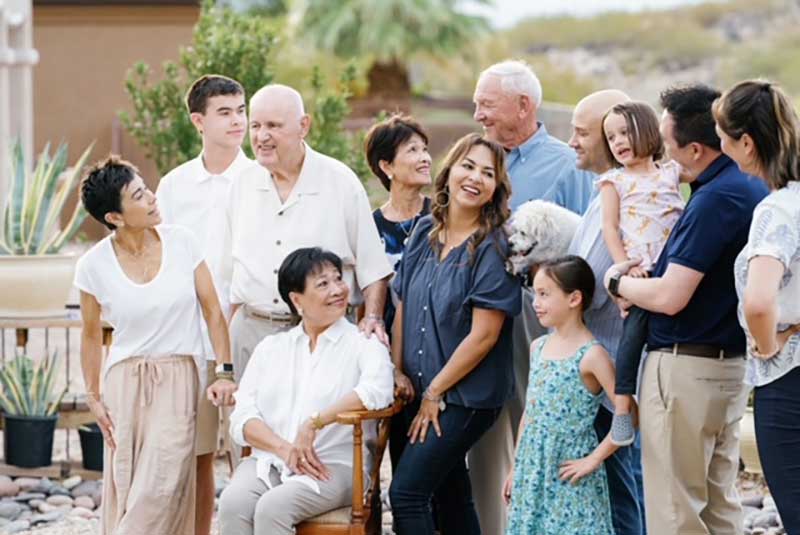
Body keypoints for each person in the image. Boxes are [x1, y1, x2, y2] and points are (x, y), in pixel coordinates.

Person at [603, 84, 769, 535]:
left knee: (675, 513)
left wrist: (616, 282)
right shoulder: (747, 186)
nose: (660, 155)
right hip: (725, 366)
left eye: (665, 143)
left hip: (684, 370)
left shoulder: (714, 201)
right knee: (719, 508)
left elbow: (671, 295)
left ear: (695, 149)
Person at [75, 156, 237, 535]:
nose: (151, 198)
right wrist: (94, 396)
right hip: (124, 381)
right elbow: (89, 333)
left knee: (162, 484)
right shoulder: (92, 265)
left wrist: (224, 371)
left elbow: (213, 311)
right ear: (114, 217)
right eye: (138, 195)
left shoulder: (182, 242)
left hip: (180, 375)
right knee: (127, 481)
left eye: (146, 188)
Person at [470, 59, 595, 534]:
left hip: (536, 317)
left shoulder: (566, 164)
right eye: (477, 104)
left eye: (487, 104)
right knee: (484, 426)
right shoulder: (479, 158)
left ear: (524, 106)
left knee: (536, 420)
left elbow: (584, 249)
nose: (478, 114)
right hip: (480, 314)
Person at [388, 133, 521, 535]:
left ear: (496, 188)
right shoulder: (425, 232)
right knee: (449, 494)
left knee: (407, 495)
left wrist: (435, 393)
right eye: (468, 166)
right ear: (449, 172)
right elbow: (404, 308)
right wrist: (397, 372)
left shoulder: (495, 247)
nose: (475, 178)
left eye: (487, 173)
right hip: (420, 388)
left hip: (465, 396)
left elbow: (484, 336)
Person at [218, 247, 394, 535]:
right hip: (271, 459)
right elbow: (242, 417)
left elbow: (377, 391)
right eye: (323, 284)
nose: (338, 289)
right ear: (297, 300)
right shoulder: (273, 348)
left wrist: (315, 422)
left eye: (338, 279)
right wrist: (284, 448)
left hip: (334, 465)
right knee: (232, 503)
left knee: (273, 508)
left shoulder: (362, 343)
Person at [226, 83, 392, 384]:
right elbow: (228, 273)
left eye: (274, 126)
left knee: (317, 429)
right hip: (251, 334)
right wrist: (223, 363)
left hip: (323, 336)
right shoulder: (241, 184)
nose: (262, 136)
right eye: (256, 125)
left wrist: (372, 319)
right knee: (248, 428)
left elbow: (373, 269)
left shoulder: (340, 181)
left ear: (304, 126)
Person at [156, 74, 254, 535]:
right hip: (190, 341)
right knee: (196, 454)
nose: (238, 121)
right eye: (225, 112)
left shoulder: (260, 179)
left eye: (241, 110)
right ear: (198, 120)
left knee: (249, 450)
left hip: (249, 334)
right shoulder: (174, 186)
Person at [714, 79, 800, 534]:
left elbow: (760, 301)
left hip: (787, 383)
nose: (720, 147)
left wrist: (767, 346)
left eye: (722, 137)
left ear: (746, 143)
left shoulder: (777, 211)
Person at [567, 89, 648, 535]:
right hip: (605, 368)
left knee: (622, 495)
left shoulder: (621, 195)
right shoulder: (606, 194)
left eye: (581, 132)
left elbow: (590, 289)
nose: (572, 140)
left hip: (610, 372)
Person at [504, 255, 618, 535]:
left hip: (569, 474)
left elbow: (630, 415)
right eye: (534, 293)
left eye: (544, 294)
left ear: (574, 298)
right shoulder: (538, 347)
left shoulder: (593, 356)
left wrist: (593, 459)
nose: (535, 303)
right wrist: (515, 468)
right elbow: (530, 413)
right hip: (532, 471)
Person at [598, 101, 684, 446]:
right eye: (610, 137)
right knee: (632, 337)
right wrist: (625, 271)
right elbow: (609, 227)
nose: (618, 141)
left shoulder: (672, 171)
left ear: (648, 131)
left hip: (675, 267)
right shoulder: (613, 180)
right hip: (640, 271)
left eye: (624, 132)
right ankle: (622, 407)